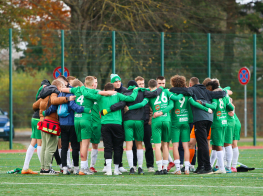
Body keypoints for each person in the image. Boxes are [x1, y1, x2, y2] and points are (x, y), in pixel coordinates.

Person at [102, 79, 162, 174]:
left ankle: (131, 168)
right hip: (139, 121)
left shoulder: (125, 93)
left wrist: (107, 110)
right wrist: (161, 87)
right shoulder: (143, 92)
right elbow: (152, 94)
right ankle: (140, 167)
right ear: (136, 86)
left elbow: (121, 104)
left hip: (127, 121)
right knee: (139, 144)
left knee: (129, 145)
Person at [170, 77, 227, 174]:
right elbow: (222, 93)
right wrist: (225, 92)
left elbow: (180, 90)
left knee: (202, 143)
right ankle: (200, 167)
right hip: (209, 118)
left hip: (200, 119)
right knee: (201, 143)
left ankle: (208, 167)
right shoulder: (206, 90)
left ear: (190, 84)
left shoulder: (192, 90)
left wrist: (170, 90)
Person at [127, 79, 183, 175]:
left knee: (157, 146)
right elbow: (173, 103)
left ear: (148, 86)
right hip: (166, 120)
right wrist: (183, 92)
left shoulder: (148, 95)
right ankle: (165, 168)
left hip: (156, 121)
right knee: (165, 145)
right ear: (157, 85)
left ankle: (159, 169)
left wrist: (129, 108)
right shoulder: (165, 91)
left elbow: (141, 104)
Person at [44, 79, 89, 175]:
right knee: (75, 147)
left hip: (62, 124)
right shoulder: (70, 95)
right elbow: (73, 106)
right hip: (71, 123)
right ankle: (76, 167)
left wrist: (45, 112)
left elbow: (53, 107)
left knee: (64, 147)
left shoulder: (59, 96)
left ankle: (64, 168)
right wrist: (84, 109)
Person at [33, 80, 75, 175]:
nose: (64, 88)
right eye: (63, 86)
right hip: (52, 123)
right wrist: (67, 99)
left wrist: (42, 113)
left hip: (44, 121)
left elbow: (34, 106)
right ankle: (47, 169)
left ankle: (43, 168)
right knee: (51, 147)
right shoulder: (54, 92)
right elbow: (54, 101)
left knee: (44, 146)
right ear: (59, 86)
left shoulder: (45, 93)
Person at [96, 82, 139, 175]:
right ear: (113, 89)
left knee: (107, 147)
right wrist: (135, 91)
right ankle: (116, 170)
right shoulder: (118, 95)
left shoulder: (100, 97)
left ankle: (108, 170)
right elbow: (131, 98)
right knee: (117, 147)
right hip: (117, 123)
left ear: (104, 90)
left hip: (105, 123)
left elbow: (92, 95)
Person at [199, 81, 234, 174]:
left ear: (210, 88)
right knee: (215, 145)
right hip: (224, 122)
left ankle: (222, 168)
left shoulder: (214, 97)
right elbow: (230, 107)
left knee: (218, 146)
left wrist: (204, 104)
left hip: (217, 123)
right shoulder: (224, 96)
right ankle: (211, 165)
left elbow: (213, 107)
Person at [22, 79, 51, 174]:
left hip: (34, 119)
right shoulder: (46, 94)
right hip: (39, 120)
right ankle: (44, 168)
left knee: (33, 143)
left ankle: (25, 167)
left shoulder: (39, 94)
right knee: (40, 144)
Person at [89, 76, 101, 173]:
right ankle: (76, 165)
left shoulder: (99, 93)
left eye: (96, 82)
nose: (95, 84)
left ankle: (92, 166)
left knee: (95, 145)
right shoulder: (85, 93)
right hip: (87, 121)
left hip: (97, 123)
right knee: (81, 144)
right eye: (94, 82)